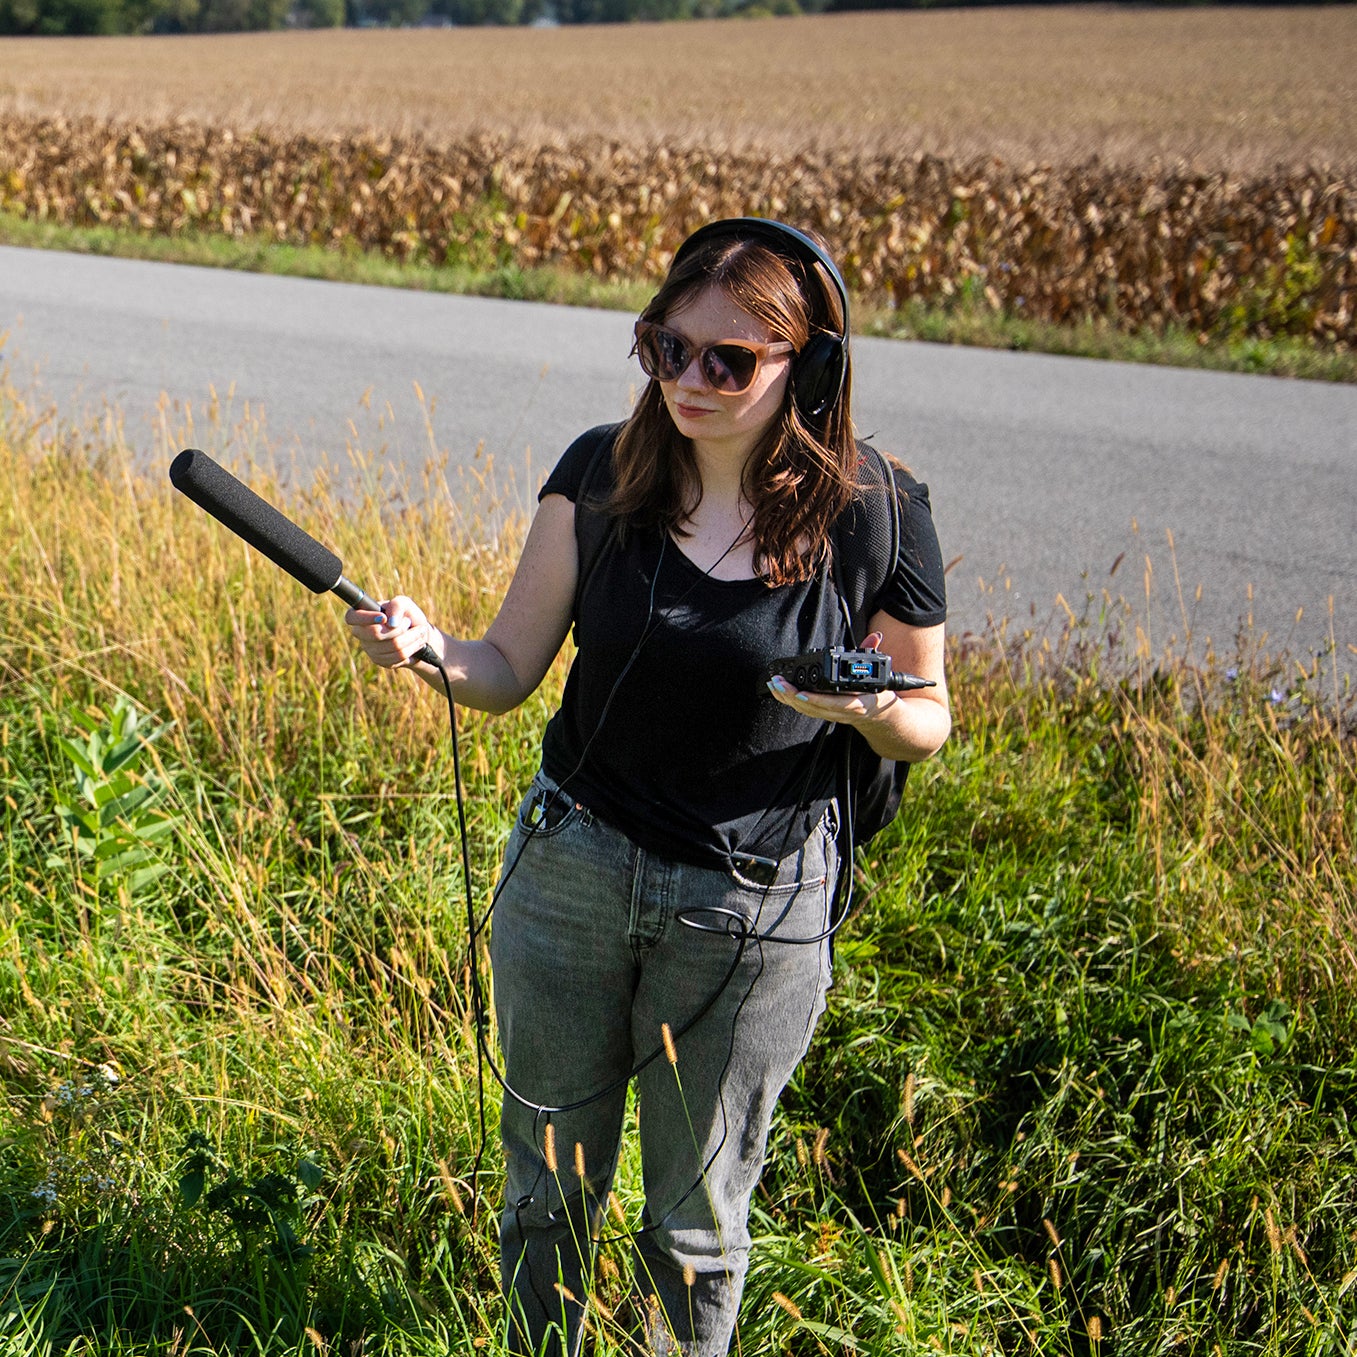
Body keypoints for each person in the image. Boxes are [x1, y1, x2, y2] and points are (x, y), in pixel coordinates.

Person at [345, 218, 951, 1357]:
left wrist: (867, 709)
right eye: (666, 349)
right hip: (571, 873)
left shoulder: (875, 509)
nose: (689, 381)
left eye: (729, 362)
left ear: (807, 368)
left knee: (695, 1225)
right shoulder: (599, 474)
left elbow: (928, 715)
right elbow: (505, 669)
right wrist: (427, 647)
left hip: (750, 911)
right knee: (544, 1197)